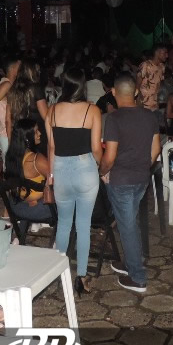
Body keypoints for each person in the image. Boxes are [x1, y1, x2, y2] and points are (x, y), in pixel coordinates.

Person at [100, 73, 159, 293]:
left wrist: (102, 172)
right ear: (135, 92)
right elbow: (156, 149)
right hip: (141, 178)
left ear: (113, 92)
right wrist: (142, 166)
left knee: (128, 227)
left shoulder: (113, 119)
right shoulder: (149, 116)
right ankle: (129, 262)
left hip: (121, 179)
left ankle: (138, 277)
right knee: (129, 222)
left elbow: (109, 156)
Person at [46, 68, 103, 295]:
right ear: (82, 86)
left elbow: (51, 147)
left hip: (60, 169)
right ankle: (81, 276)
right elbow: (96, 148)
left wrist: (50, 176)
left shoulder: (52, 111)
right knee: (83, 225)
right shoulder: (92, 110)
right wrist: (101, 167)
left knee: (63, 223)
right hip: (85, 168)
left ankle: (58, 274)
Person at [4, 118, 53, 223]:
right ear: (27, 138)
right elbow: (56, 181)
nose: (40, 133)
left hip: (16, 206)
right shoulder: (36, 160)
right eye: (36, 131)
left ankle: (21, 231)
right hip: (36, 210)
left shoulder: (11, 156)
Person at [6, 58, 49, 152]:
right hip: (36, 133)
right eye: (37, 69)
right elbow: (46, 116)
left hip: (20, 133)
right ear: (31, 71)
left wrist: (10, 141)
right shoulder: (36, 88)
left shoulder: (13, 88)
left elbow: (8, 119)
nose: (39, 72)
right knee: (38, 159)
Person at [0, 54, 20, 157]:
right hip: (5, 131)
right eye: (19, 66)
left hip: (9, 129)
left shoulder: (10, 83)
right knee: (9, 162)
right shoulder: (6, 84)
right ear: (13, 68)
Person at [137, 45, 169, 128]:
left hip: (155, 104)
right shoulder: (145, 65)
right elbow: (137, 83)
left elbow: (160, 84)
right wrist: (138, 99)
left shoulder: (162, 67)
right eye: (164, 53)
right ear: (157, 53)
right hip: (144, 104)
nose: (167, 55)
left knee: (155, 128)